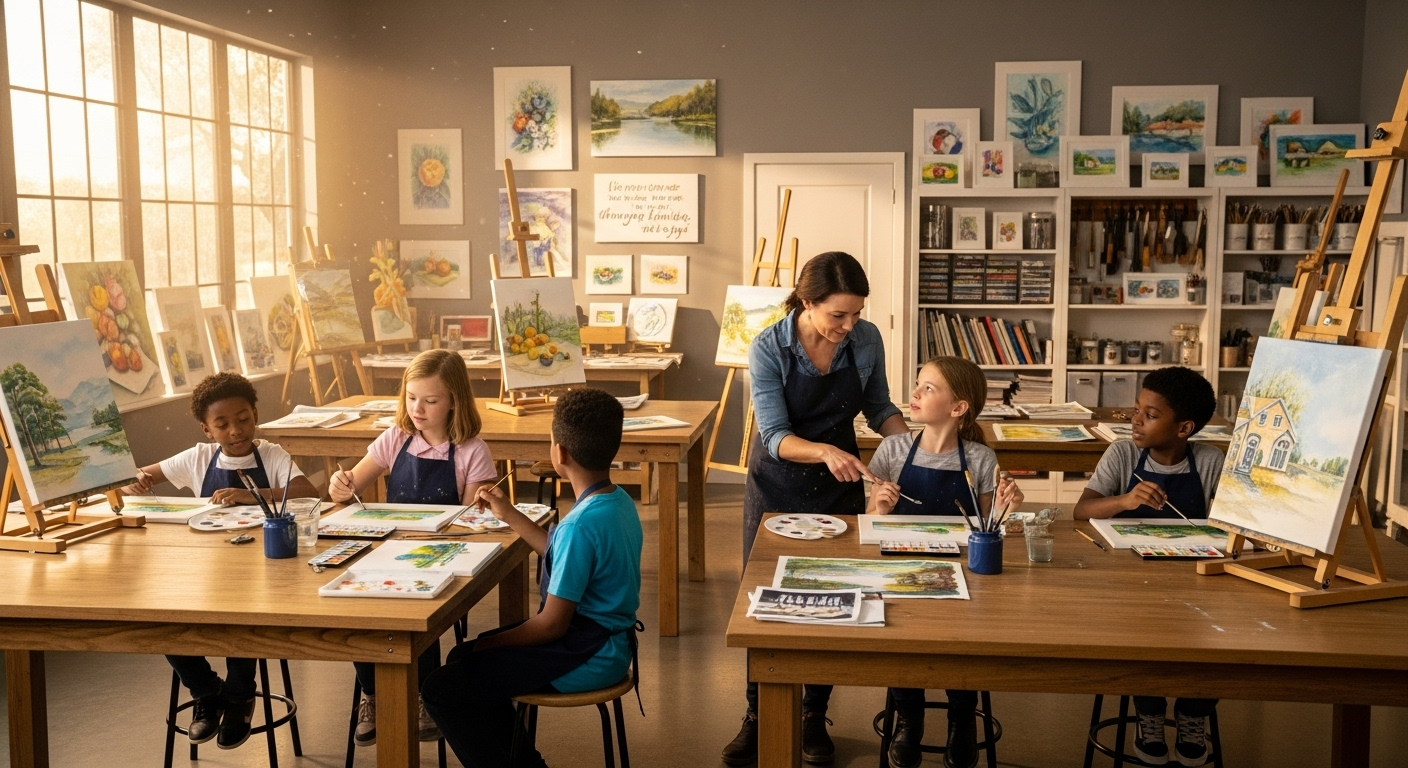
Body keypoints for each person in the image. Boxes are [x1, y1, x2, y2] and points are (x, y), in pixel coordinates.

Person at [725, 251, 910, 766]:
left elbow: (879, 408)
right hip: (778, 480)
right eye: (838, 316)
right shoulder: (769, 346)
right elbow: (776, 434)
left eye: (856, 314)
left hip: (838, 483)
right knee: (765, 601)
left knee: (831, 590)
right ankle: (758, 714)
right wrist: (828, 451)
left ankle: (812, 715)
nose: (850, 326)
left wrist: (911, 448)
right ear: (807, 303)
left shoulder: (865, 339)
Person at [422, 388, 642, 768]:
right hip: (611, 643)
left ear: (559, 453)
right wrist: (508, 513)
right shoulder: (617, 502)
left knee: (443, 686)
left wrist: (490, 644)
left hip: (587, 652)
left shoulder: (579, 524)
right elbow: (563, 557)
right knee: (466, 660)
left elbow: (551, 627)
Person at [120, 372, 317, 750]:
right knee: (159, 614)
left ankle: (241, 696)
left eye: (243, 419)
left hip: (261, 568)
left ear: (255, 414)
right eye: (222, 424)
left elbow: (307, 490)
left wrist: (249, 494)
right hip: (203, 569)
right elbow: (142, 474)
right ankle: (207, 690)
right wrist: (137, 480)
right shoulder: (198, 458)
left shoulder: (272, 454)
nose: (235, 431)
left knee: (248, 616)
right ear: (207, 429)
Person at [329, 349, 498, 747]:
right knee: (354, 606)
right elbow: (348, 486)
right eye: (410, 398)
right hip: (384, 550)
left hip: (437, 558)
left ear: (454, 400)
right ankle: (371, 694)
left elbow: (472, 522)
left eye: (430, 400)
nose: (417, 409)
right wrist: (341, 486)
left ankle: (424, 697)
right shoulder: (394, 438)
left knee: (417, 613)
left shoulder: (472, 451)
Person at [866, 356, 1022, 768]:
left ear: (959, 408)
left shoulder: (981, 459)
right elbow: (868, 528)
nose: (914, 394)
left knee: (963, 641)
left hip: (961, 577)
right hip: (898, 574)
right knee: (900, 639)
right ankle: (909, 719)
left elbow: (991, 528)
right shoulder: (893, 449)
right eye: (918, 384)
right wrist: (879, 509)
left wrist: (1007, 508)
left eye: (928, 388)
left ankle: (962, 719)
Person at [1073, 366, 1222, 767]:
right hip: (1131, 583)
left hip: (1196, 584)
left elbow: (1229, 528)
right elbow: (1082, 509)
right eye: (1137, 410)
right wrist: (1124, 501)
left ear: (1184, 428)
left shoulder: (1209, 461)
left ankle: (1194, 714)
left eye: (1151, 415)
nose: (1136, 420)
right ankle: (1149, 711)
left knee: (1217, 643)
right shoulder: (1122, 453)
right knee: (1139, 637)